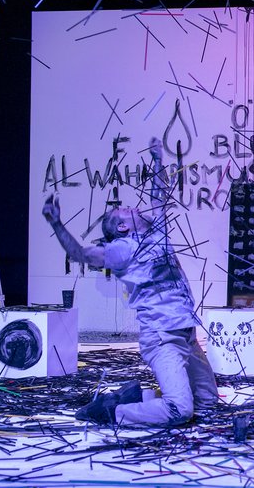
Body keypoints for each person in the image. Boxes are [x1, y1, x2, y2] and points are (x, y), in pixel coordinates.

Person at [42, 137, 218, 426]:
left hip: (185, 332)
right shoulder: (121, 250)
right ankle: (113, 413)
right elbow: (80, 254)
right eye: (123, 211)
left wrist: (158, 161)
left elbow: (158, 197)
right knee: (180, 410)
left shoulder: (155, 232)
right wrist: (56, 223)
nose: (131, 207)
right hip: (163, 337)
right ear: (122, 227)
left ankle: (136, 397)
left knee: (208, 404)